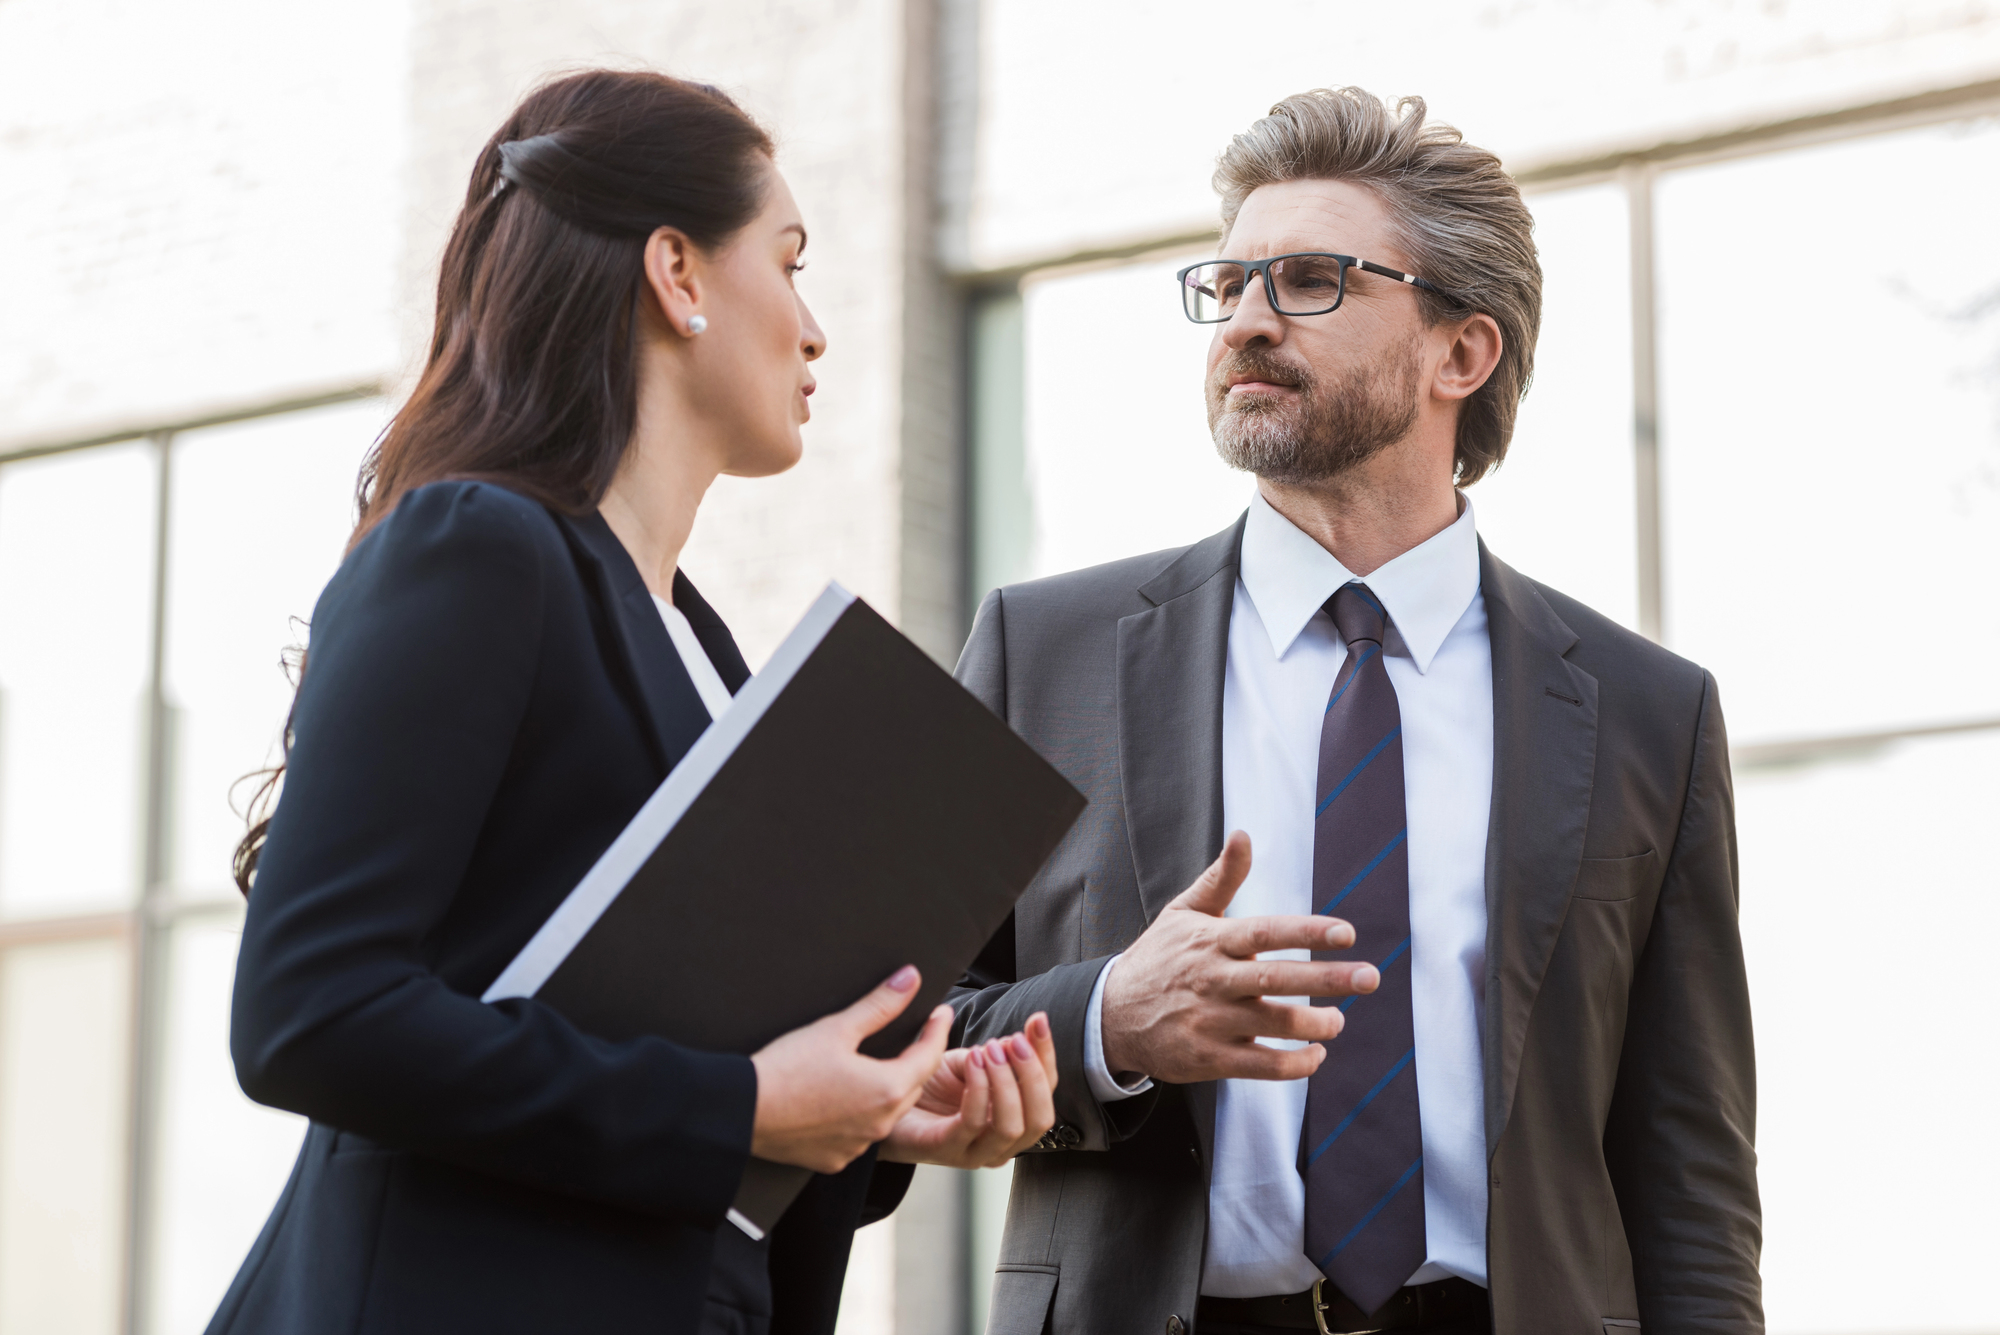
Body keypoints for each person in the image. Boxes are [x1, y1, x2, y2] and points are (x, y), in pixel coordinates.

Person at [210, 69, 1057, 1335]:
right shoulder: (478, 548)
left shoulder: (709, 655)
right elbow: (309, 1015)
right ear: (677, 274)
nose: (815, 328)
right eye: (790, 261)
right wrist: (743, 1109)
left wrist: (875, 1122)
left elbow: (670, 1064)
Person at [949, 88, 1761, 1335]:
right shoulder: (1040, 652)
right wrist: (1107, 1016)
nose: (1247, 323)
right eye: (1226, 288)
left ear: (1461, 354)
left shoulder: (1648, 711)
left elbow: (1687, 1168)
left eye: (1312, 280)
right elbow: (898, 1022)